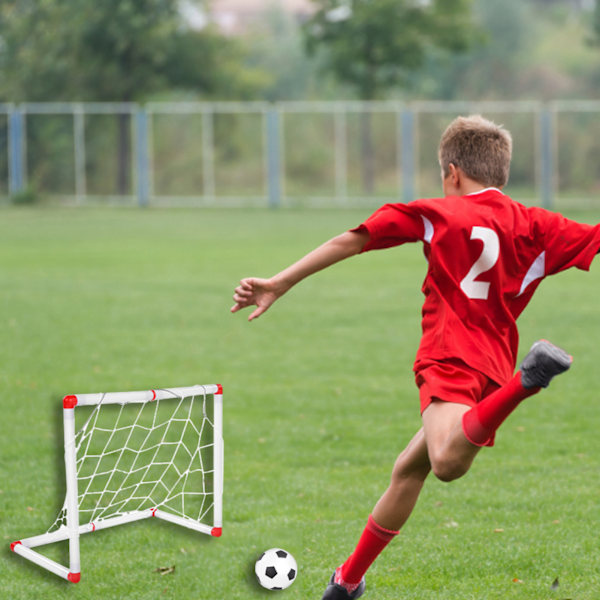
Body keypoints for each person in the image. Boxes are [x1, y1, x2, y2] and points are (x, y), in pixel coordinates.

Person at [231, 115, 600, 599]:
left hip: (449, 355)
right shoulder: (537, 223)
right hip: (491, 363)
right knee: (410, 468)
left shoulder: (437, 213)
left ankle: (528, 381)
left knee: (446, 462)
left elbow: (353, 240)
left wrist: (279, 281)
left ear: (451, 172)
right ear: (502, 173)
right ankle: (348, 581)